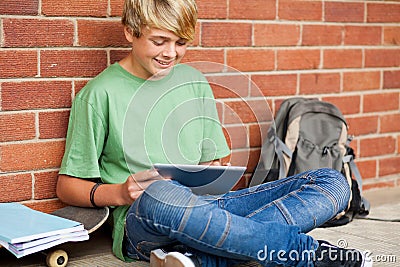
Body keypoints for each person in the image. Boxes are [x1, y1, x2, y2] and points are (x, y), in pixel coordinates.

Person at [56, 0, 372, 266]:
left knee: (333, 184)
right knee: (162, 193)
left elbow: (213, 167)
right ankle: (305, 254)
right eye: (159, 41)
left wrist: (212, 176)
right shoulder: (99, 94)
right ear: (130, 32)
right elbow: (67, 186)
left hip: (210, 208)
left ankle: (198, 259)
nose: (170, 53)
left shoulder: (194, 81)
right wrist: (120, 193)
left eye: (180, 43)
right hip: (143, 219)